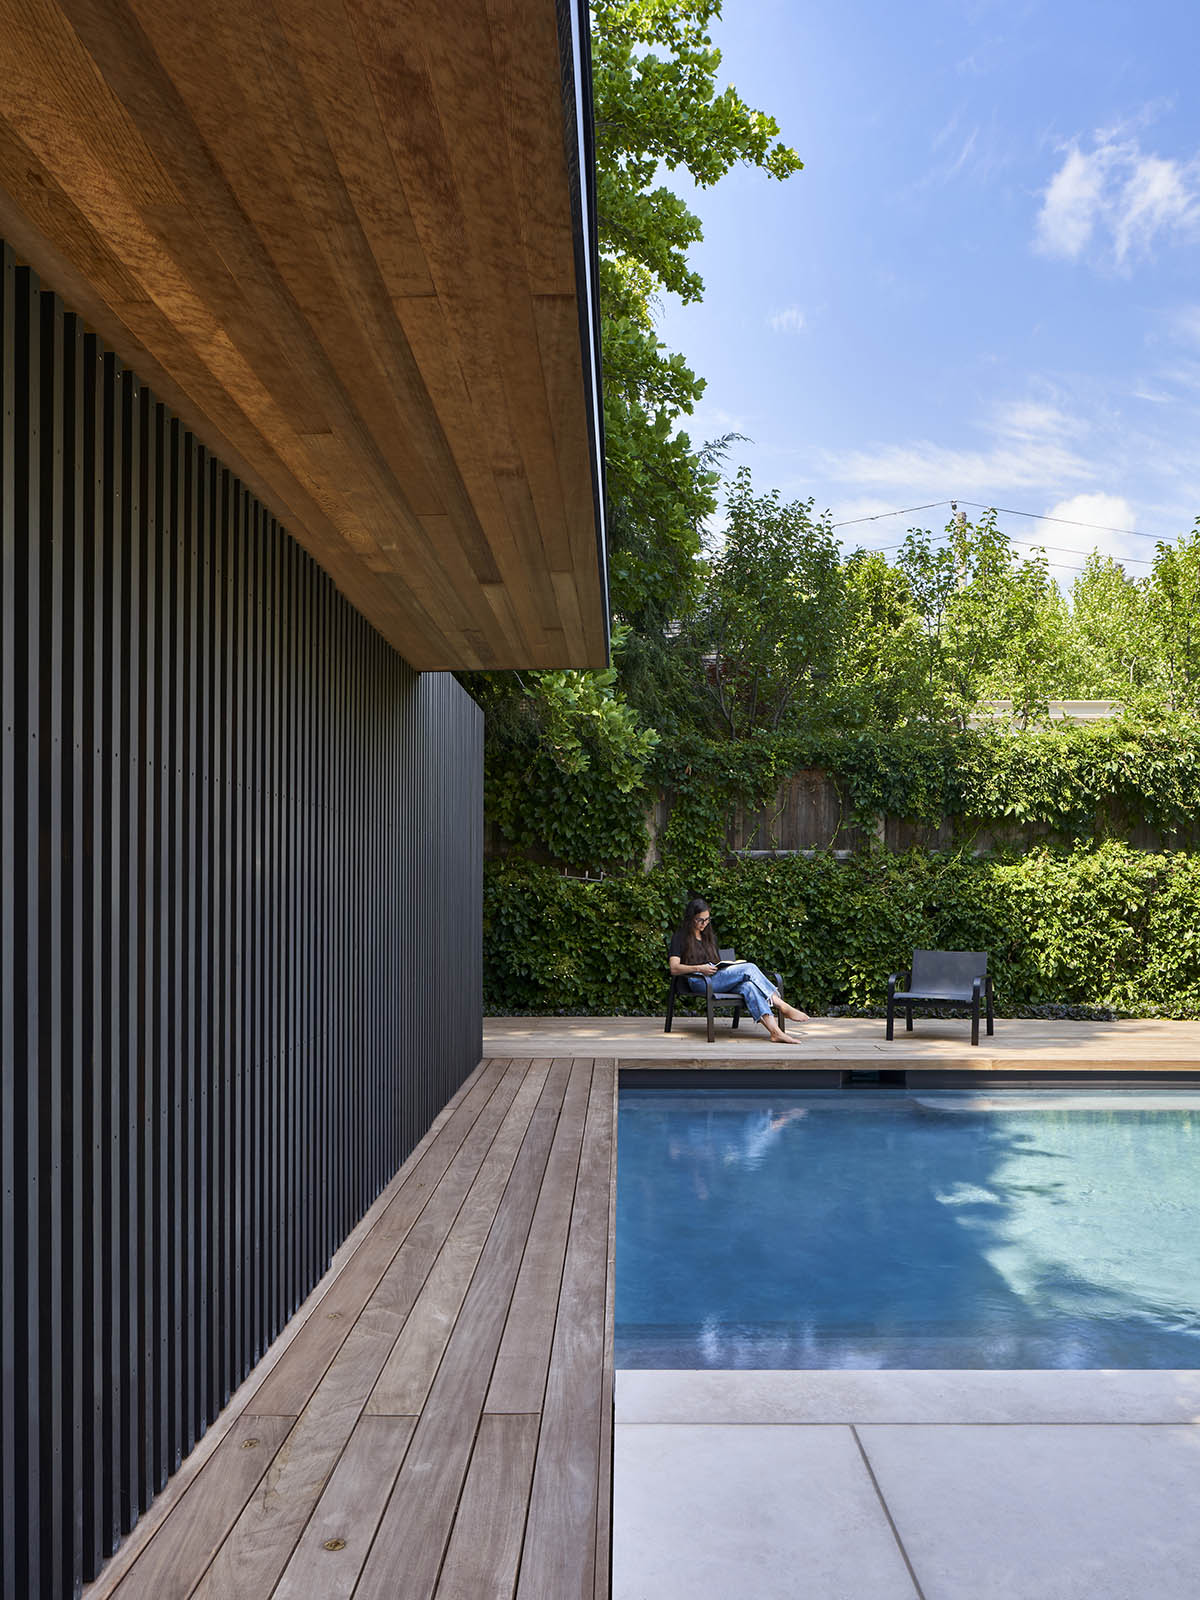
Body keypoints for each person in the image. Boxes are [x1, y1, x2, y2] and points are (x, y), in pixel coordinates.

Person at [667, 896, 809, 1044]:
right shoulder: (680, 937)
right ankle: (781, 1005)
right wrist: (699, 968)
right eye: (700, 920)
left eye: (707, 920)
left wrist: (725, 966)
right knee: (750, 967)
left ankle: (775, 1032)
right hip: (698, 980)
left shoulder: (709, 937)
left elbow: (716, 963)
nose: (704, 924)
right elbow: (674, 968)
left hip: (715, 978)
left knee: (748, 986)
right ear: (691, 918)